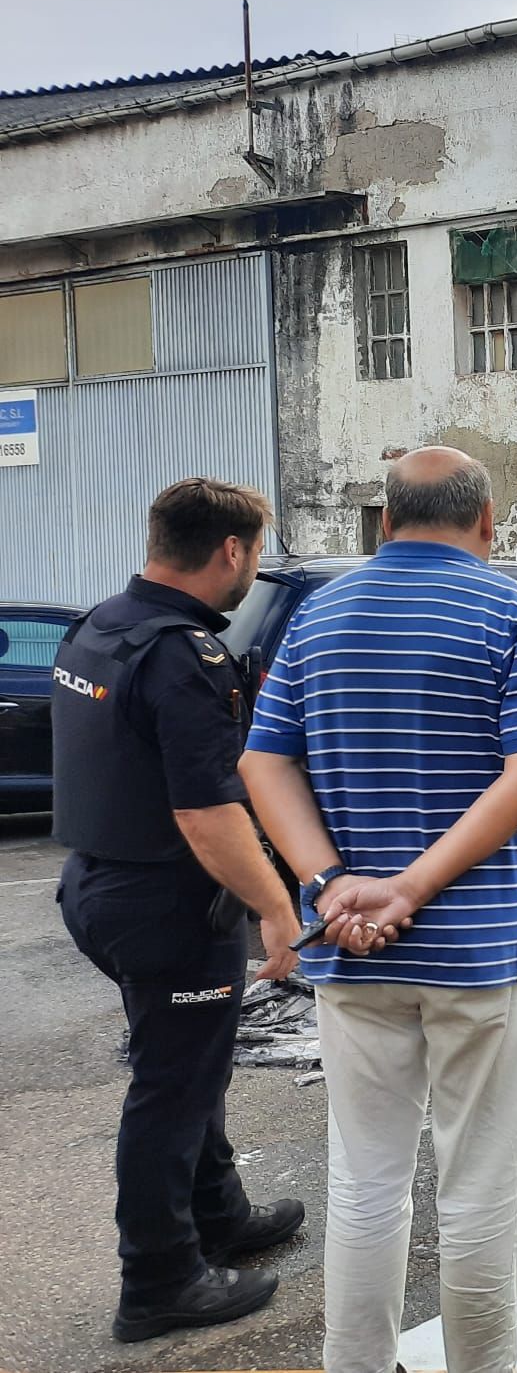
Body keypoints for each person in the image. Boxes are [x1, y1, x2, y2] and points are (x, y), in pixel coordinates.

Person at [239, 446, 517, 1373]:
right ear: (487, 523)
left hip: (354, 953)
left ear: (384, 523)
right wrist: (413, 888)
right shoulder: (514, 609)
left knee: (366, 1181)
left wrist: (326, 883)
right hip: (481, 952)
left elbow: (263, 761)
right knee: (481, 1185)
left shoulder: (319, 616)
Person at [51, 477, 306, 1344]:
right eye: (256, 552)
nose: (254, 568)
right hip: (163, 903)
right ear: (231, 551)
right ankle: (159, 1280)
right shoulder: (180, 654)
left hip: (100, 887)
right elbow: (207, 812)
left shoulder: (102, 627)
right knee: (172, 1088)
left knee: (191, 1066)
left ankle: (219, 1216)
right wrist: (276, 909)